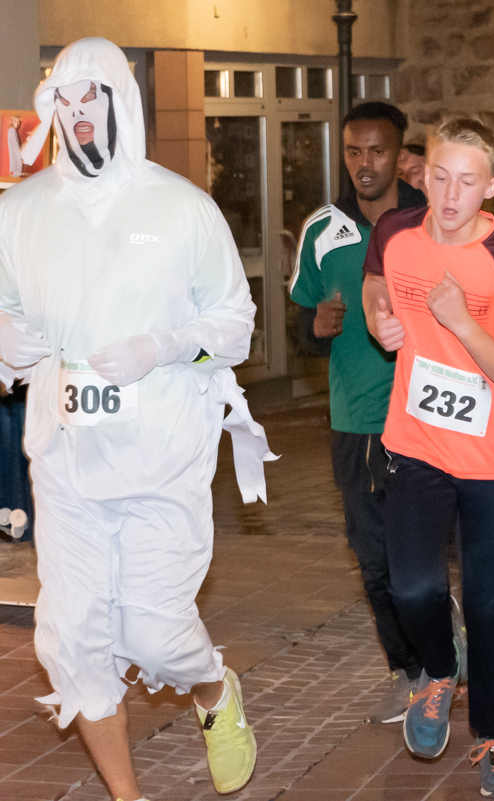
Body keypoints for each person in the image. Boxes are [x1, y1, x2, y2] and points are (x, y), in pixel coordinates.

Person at [0, 38, 275, 800]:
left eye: (92, 97)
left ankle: (213, 687)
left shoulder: (182, 208)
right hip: (65, 462)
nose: (78, 114)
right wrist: (7, 339)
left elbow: (234, 326)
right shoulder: (19, 212)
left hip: (161, 458)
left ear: (122, 99)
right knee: (72, 641)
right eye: (64, 100)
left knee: (155, 632)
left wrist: (163, 347)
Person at [363, 114, 494, 798]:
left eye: (466, 182)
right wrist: (379, 317)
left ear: (490, 187)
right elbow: (376, 280)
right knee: (410, 587)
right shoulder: (395, 232)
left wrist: (463, 323)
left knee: (489, 605)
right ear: (421, 174)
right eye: (438, 176)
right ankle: (440, 673)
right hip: (416, 443)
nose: (449, 195)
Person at [289, 101, 461, 726]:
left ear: (400, 154)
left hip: (428, 413)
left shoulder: (430, 220)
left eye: (378, 151)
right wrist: (315, 328)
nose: (365, 163)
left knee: (426, 549)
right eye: (353, 151)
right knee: (373, 557)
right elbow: (302, 327)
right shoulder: (322, 230)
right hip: (357, 419)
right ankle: (408, 671)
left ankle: (441, 639)